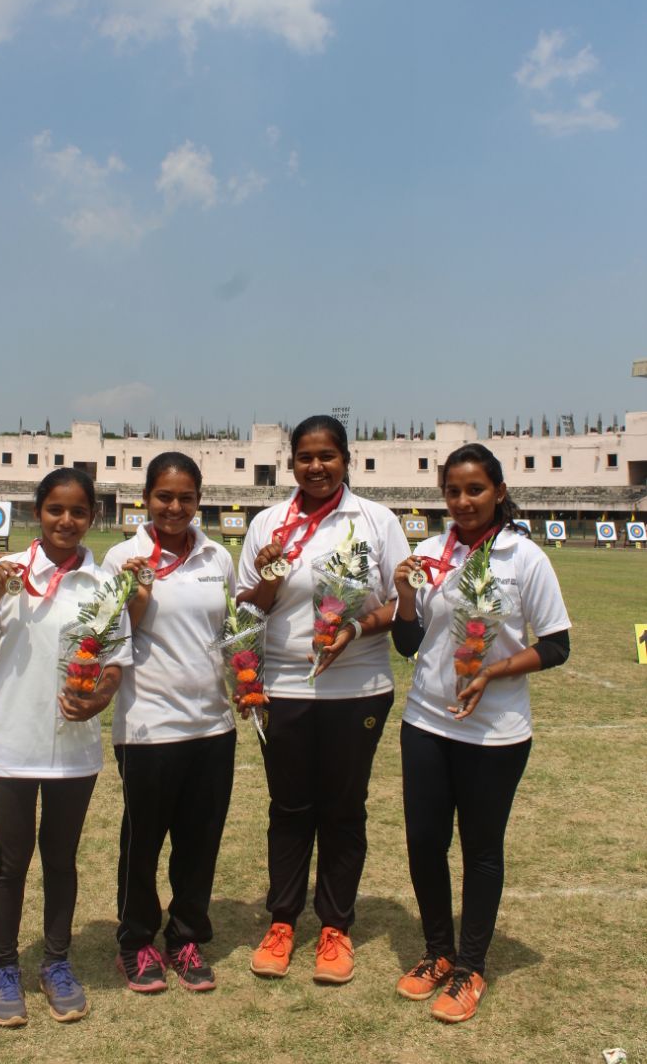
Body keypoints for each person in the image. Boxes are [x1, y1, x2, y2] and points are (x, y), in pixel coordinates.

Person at [392, 443, 570, 1023]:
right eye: (453, 491)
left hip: (496, 731)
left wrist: (493, 671)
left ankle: (471, 965)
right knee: (424, 842)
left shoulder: (523, 557)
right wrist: (405, 594)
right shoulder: (429, 551)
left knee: (481, 850)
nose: (464, 501)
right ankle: (438, 952)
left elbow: (556, 645)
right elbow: (408, 643)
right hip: (425, 721)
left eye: (475, 490)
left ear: (497, 492)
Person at [237, 415, 410, 984]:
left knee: (342, 808)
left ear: (346, 459)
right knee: (289, 809)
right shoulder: (267, 523)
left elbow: (399, 606)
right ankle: (283, 921)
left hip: (357, 688)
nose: (316, 466)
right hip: (283, 688)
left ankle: (335, 927)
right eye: (305, 457)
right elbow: (247, 611)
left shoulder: (375, 520)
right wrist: (266, 577)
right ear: (291, 462)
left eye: (327, 456)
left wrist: (356, 631)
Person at [0, 469, 130, 1027]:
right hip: (10, 741)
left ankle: (56, 962)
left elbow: (115, 665)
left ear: (92, 519)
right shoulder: (2, 573)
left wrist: (100, 699)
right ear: (38, 512)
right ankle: (4, 966)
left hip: (72, 749)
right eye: (55, 509)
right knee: (12, 862)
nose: (66, 521)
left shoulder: (106, 583)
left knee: (60, 859)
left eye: (79, 512)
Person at [101, 452, 237, 993]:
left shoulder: (217, 557)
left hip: (212, 724)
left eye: (185, 498)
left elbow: (229, 633)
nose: (174, 508)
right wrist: (135, 598)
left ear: (199, 500)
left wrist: (249, 681)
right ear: (146, 498)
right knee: (143, 841)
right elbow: (108, 640)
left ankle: (185, 936)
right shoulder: (122, 558)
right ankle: (136, 941)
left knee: (200, 840)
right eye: (164, 497)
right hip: (148, 726)